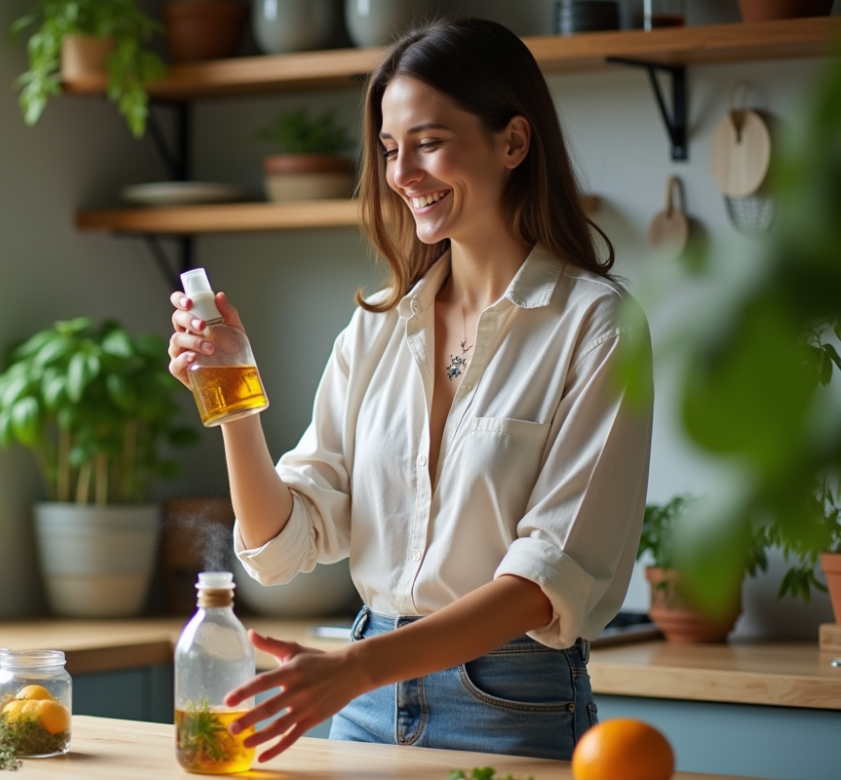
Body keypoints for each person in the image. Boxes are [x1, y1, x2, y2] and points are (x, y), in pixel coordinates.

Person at [166, 16, 653, 765]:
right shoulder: (378, 327)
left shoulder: (597, 325)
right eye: (391, 149)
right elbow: (282, 543)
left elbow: (543, 578)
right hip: (361, 703)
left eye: (428, 142)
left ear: (513, 142)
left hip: (510, 705)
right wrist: (233, 396)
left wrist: (358, 668)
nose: (401, 174)